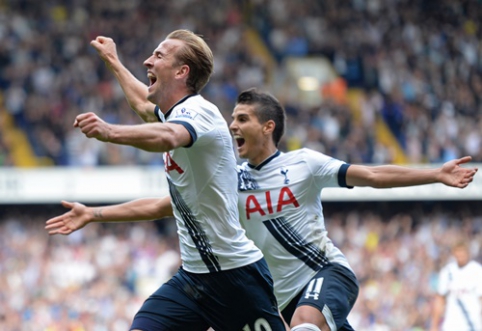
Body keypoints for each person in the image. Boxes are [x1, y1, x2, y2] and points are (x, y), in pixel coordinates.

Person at [48, 91, 478, 331]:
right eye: (231, 119)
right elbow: (165, 205)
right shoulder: (228, 179)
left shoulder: (304, 164)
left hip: (325, 276)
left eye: (242, 119)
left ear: (267, 127)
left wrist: (433, 174)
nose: (232, 125)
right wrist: (96, 215)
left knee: (307, 324)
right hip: (277, 299)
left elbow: (371, 175)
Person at [52, 30, 287, 331]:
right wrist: (112, 59)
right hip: (192, 280)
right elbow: (143, 108)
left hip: (236, 277)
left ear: (181, 71)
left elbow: (168, 136)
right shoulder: (175, 114)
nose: (148, 61)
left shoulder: (199, 113)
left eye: (159, 55)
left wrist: (110, 132)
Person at [430, 241, 482, 331]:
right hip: (451, 326)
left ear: (468, 252)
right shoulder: (447, 272)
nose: (460, 254)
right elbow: (439, 300)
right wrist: (434, 326)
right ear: (454, 253)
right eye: (458, 251)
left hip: (472, 325)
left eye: (462, 251)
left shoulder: (477, 271)